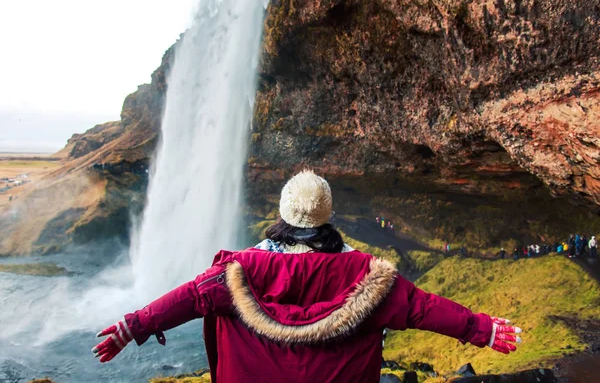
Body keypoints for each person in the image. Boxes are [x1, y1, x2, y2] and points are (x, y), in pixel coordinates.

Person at [92, 170, 522, 382]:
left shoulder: (237, 272)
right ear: (327, 214)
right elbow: (423, 307)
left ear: (281, 211)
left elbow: (187, 298)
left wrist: (133, 326)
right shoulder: (366, 275)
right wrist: (482, 330)